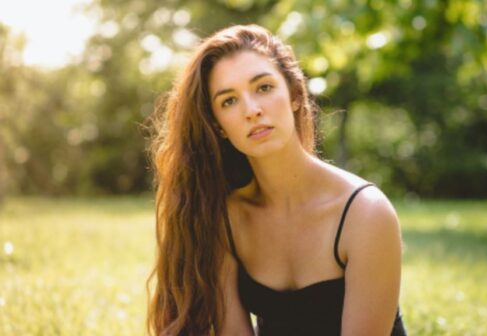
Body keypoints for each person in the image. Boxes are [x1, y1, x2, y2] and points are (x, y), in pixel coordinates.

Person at [146, 24, 406, 335]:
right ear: (218, 127)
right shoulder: (226, 219)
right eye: (229, 101)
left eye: (264, 88)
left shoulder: (365, 213)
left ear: (296, 95)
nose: (252, 110)